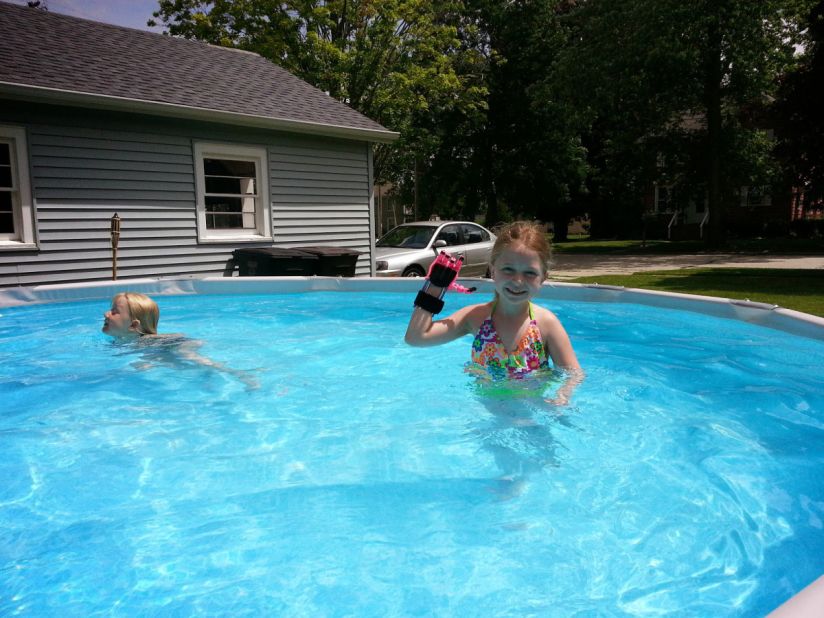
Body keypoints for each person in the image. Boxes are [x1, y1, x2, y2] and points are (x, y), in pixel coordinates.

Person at [405, 220, 581, 404]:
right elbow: (416, 338)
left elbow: (574, 374)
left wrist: (562, 396)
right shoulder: (475, 317)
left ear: (543, 277)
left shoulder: (547, 324)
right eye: (508, 270)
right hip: (486, 411)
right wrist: (434, 287)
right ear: (493, 270)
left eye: (530, 273)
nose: (518, 281)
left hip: (531, 411)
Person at [102, 292, 259, 390]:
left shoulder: (141, 342)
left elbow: (144, 364)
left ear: (133, 325)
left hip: (176, 343)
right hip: (162, 347)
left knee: (197, 360)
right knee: (181, 366)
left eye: (114, 312)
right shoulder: (122, 340)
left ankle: (239, 374)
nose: (106, 314)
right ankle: (207, 376)